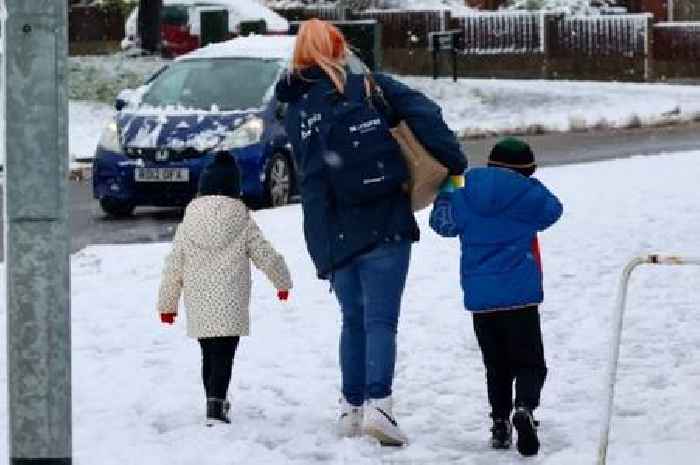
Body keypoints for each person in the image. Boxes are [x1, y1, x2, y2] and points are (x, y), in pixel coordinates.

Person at [275, 19, 467, 446]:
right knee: (381, 320)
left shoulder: (295, 108)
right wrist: (453, 163)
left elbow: (309, 176)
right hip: (383, 220)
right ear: (341, 47)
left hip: (330, 226)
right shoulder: (370, 88)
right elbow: (427, 118)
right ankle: (380, 406)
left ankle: (351, 407)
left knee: (353, 320)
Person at [429, 138, 563, 456]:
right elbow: (554, 211)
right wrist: (528, 184)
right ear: (526, 170)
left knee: (496, 365)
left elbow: (442, 224)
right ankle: (524, 408)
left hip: (482, 298)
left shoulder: (463, 185)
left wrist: (446, 193)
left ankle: (500, 424)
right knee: (531, 363)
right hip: (521, 297)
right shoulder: (528, 193)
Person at [156, 153, 293, 426]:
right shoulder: (240, 217)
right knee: (224, 355)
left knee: (208, 353)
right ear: (235, 187)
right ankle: (216, 405)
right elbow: (265, 253)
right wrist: (282, 281)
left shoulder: (189, 220)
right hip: (230, 303)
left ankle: (213, 400)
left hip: (200, 302)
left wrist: (167, 305)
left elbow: (174, 264)